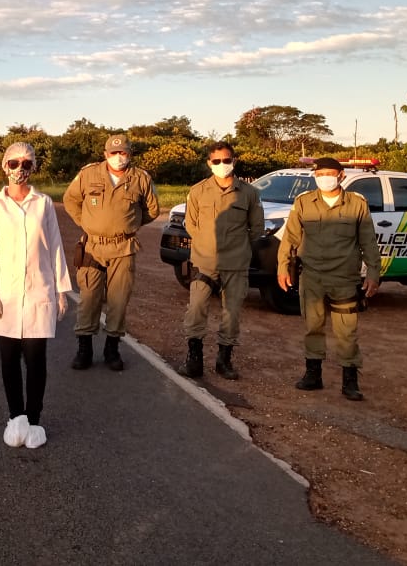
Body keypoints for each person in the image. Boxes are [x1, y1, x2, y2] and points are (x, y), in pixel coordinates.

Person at [0, 142, 72, 449]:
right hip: (5, 291)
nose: (21, 169)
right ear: (4, 166)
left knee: (36, 359)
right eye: (15, 163)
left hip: (38, 289)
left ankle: (33, 419)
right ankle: (15, 416)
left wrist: (61, 289)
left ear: (34, 168)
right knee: (8, 358)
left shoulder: (43, 203)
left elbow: (55, 247)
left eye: (27, 164)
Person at [276, 157, 380, 401]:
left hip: (344, 278)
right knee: (313, 327)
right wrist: (282, 267)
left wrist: (373, 273)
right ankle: (313, 375)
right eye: (320, 174)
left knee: (347, 331)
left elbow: (368, 241)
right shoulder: (304, 202)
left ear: (341, 176)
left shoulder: (357, 204)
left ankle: (350, 381)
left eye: (329, 174)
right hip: (312, 276)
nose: (324, 178)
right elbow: (290, 238)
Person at [63, 134, 160, 371]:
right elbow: (70, 200)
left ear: (130, 154)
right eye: (114, 153)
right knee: (89, 298)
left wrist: (130, 224)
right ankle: (84, 349)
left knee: (119, 300)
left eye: (123, 153)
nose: (118, 157)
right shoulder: (88, 174)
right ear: (105, 154)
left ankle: (112, 348)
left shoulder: (140, 178)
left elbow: (152, 210)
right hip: (92, 246)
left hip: (123, 247)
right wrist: (86, 223)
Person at [178, 142, 264, 380]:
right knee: (196, 308)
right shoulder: (198, 191)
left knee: (232, 313)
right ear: (209, 163)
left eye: (226, 160)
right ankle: (194, 359)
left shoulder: (248, 193)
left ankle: (224, 360)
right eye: (216, 161)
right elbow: (191, 225)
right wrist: (208, 244)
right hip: (204, 262)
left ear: (234, 161)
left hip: (235, 263)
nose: (222, 165)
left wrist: (236, 245)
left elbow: (257, 228)